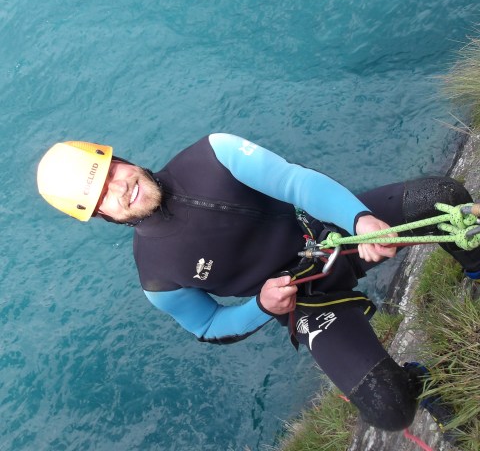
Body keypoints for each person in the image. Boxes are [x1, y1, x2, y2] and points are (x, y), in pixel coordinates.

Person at [37, 133, 480, 432]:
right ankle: (414, 380)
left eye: (112, 171)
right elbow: (208, 325)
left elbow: (294, 181)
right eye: (103, 196)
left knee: (439, 198)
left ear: (121, 159)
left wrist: (359, 220)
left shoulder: (214, 154)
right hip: (307, 299)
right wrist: (264, 307)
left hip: (330, 231)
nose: (120, 188)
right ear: (103, 216)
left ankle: (476, 272)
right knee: (388, 407)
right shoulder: (156, 275)